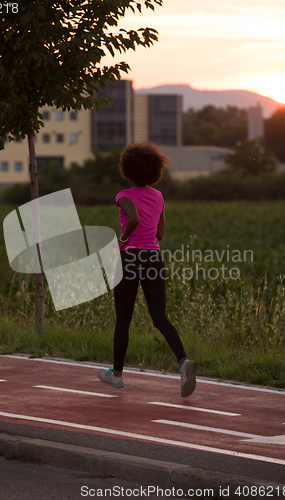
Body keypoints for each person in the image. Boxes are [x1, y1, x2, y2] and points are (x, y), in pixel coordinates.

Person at [97, 142, 196, 397]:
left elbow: (134, 219)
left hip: (129, 259)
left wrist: (122, 239)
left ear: (128, 170)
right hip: (153, 258)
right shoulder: (159, 196)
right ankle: (184, 362)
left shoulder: (123, 195)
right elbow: (160, 234)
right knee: (159, 318)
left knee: (124, 319)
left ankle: (116, 376)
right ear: (154, 171)